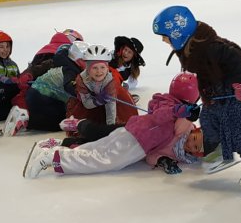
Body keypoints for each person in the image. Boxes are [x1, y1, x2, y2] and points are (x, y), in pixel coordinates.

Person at [153, 5, 241, 197]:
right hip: (215, 94)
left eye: (165, 36)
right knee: (208, 121)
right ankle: (219, 151)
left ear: (178, 33)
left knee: (240, 133)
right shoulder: (189, 48)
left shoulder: (210, 47)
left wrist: (240, 85)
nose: (164, 40)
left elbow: (235, 54)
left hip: (233, 94)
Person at [23, 72, 204, 180]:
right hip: (140, 140)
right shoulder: (171, 106)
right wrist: (179, 112)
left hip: (135, 133)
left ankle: (53, 150)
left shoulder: (175, 108)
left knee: (96, 149)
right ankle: (51, 158)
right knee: (102, 160)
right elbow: (159, 117)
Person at [63, 43, 137, 141]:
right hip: (91, 104)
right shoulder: (81, 80)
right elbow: (87, 104)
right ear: (88, 68)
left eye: (102, 67)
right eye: (94, 68)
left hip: (113, 104)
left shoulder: (110, 81)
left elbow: (111, 108)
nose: (99, 72)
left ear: (107, 68)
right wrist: (99, 100)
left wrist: (110, 130)